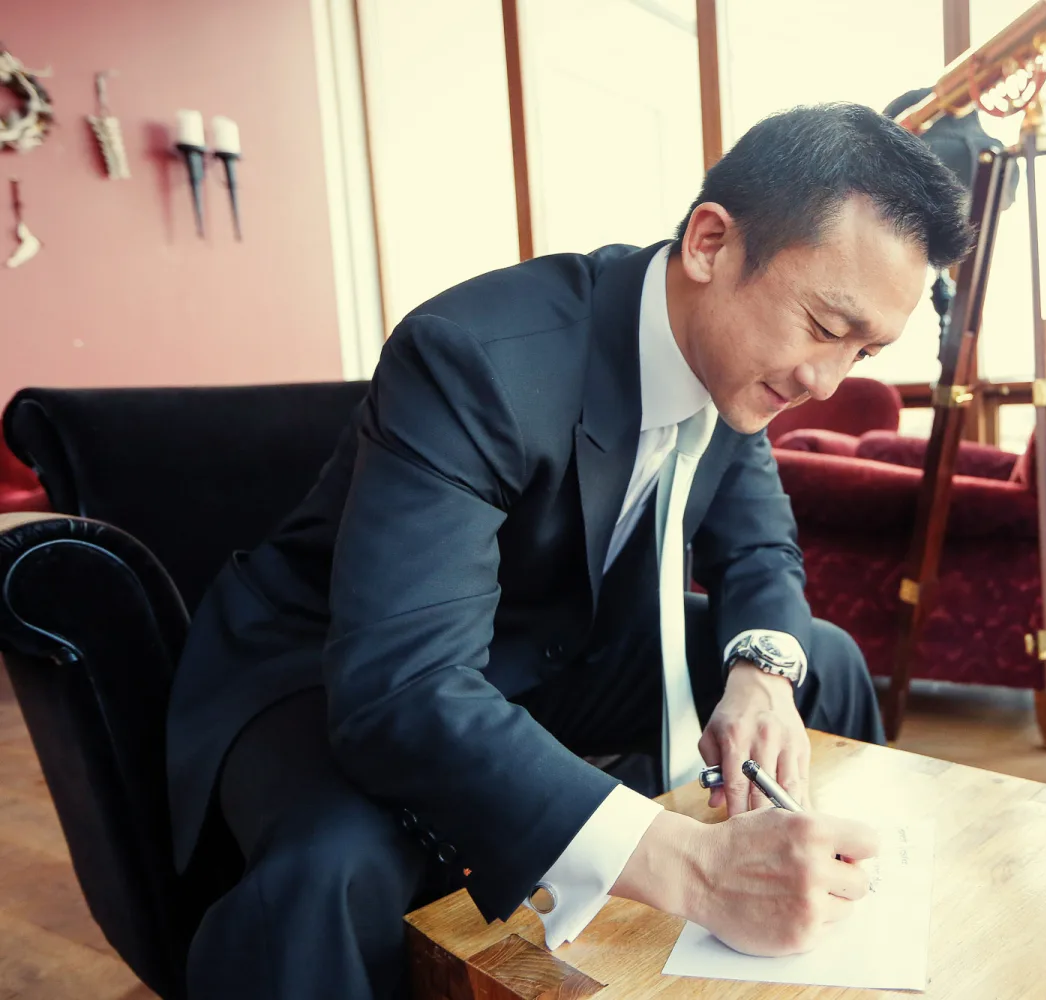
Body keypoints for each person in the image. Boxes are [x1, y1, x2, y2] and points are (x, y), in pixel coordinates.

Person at [168, 101, 973, 999]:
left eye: (863, 352)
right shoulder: (474, 359)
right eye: (825, 328)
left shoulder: (737, 364)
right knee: (336, 859)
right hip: (329, 662)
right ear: (710, 243)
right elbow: (404, 686)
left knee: (815, 657)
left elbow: (760, 553)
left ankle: (824, 924)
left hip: (547, 638)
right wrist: (696, 869)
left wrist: (761, 675)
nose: (826, 383)